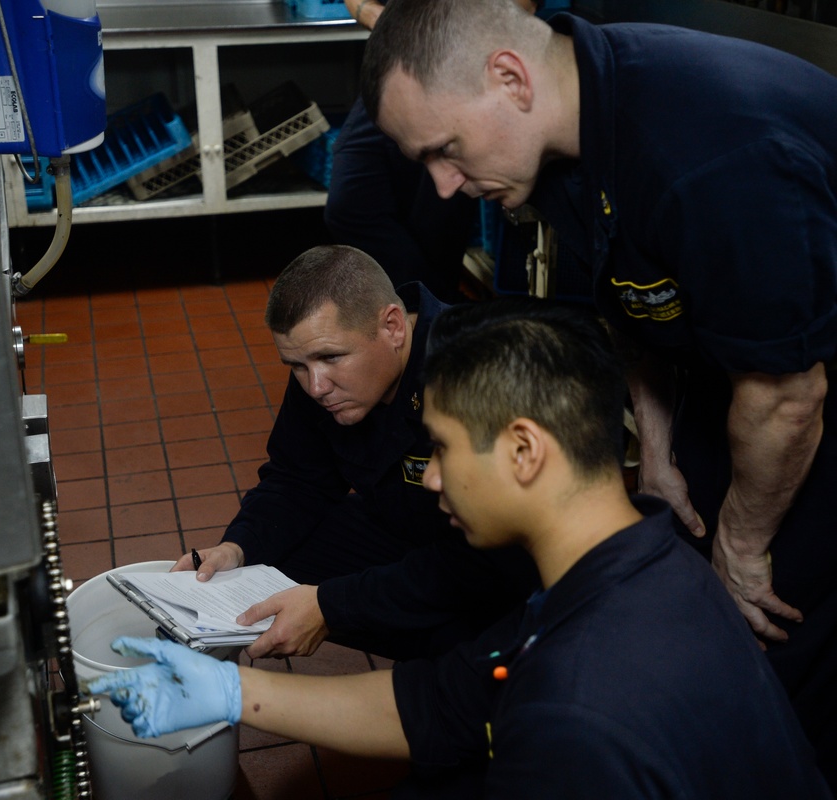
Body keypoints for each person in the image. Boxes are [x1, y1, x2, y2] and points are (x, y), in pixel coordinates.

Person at [358, 0, 837, 783]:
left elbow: (788, 396)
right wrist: (656, 448)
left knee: (774, 649)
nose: (444, 186)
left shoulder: (707, 148)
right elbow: (638, 299)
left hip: (799, 395)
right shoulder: (560, 140)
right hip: (746, 387)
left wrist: (744, 547)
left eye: (446, 150)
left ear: (509, 79)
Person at [88, 298, 831, 798]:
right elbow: (443, 701)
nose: (432, 474)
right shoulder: (645, 563)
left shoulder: (573, 719)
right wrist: (231, 694)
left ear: (523, 451)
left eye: (442, 447)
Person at [172, 244, 537, 660]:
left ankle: (464, 676)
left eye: (330, 358)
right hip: (408, 534)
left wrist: (333, 606)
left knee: (476, 649)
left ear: (394, 327)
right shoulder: (320, 369)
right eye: (296, 365)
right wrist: (236, 548)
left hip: (498, 571)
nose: (315, 387)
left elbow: (491, 558)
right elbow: (295, 479)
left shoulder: (480, 368)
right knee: (267, 558)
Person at [321, 0, 539, 301]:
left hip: (463, 68)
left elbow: (522, 8)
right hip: (400, 62)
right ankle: (429, 308)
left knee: (438, 210)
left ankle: (433, 318)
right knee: (349, 204)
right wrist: (386, 21)